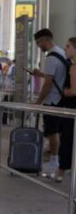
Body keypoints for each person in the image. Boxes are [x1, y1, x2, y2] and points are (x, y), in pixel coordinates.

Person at [32, 28, 68, 173]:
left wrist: (38, 102)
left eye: (38, 43)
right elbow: (54, 78)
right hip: (62, 99)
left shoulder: (51, 58)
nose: (38, 46)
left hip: (52, 100)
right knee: (58, 132)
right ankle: (59, 160)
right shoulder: (61, 53)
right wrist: (41, 74)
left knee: (52, 132)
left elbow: (48, 84)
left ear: (45, 40)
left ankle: (54, 161)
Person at [54, 38, 76, 182]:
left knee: (67, 138)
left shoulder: (74, 68)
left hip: (71, 107)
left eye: (68, 46)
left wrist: (64, 91)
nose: (65, 48)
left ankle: (61, 171)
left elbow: (73, 91)